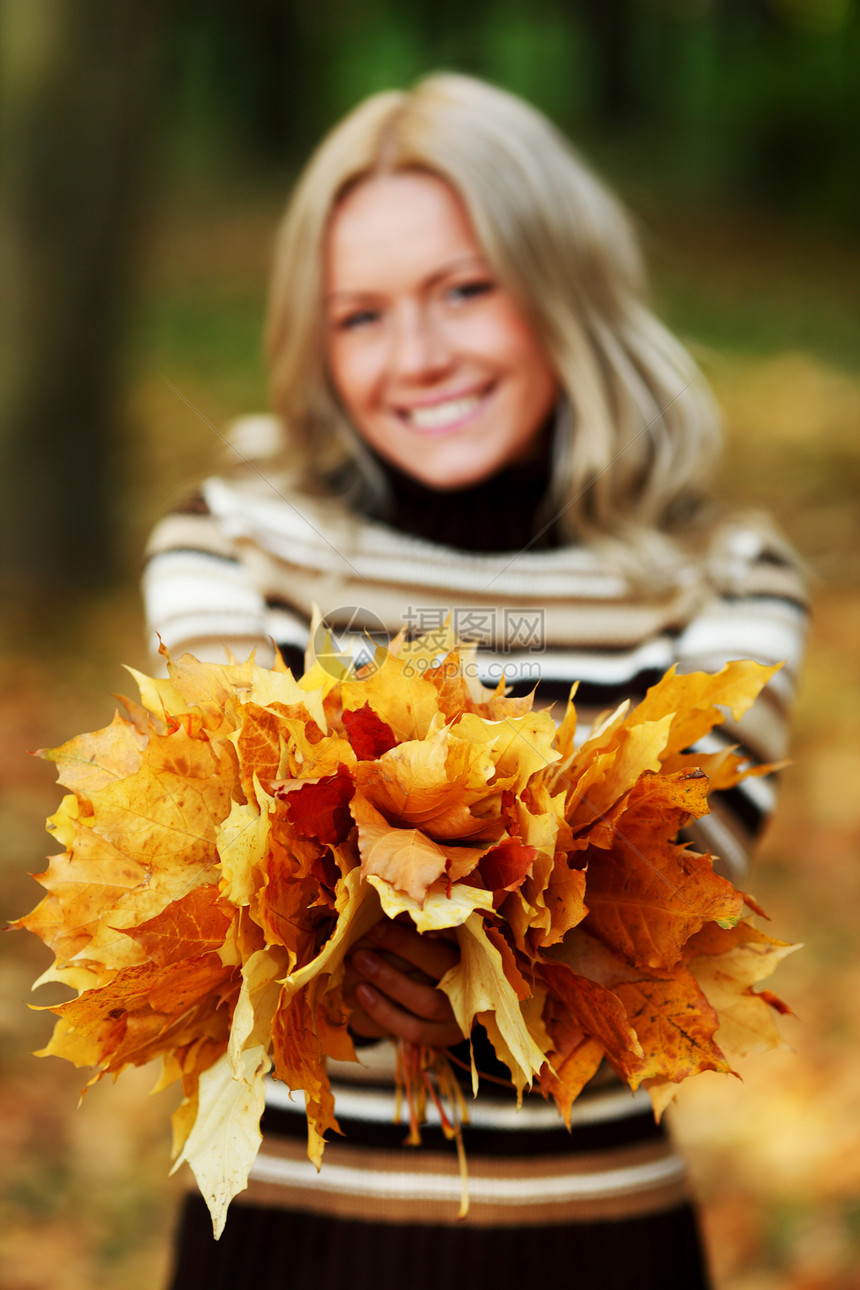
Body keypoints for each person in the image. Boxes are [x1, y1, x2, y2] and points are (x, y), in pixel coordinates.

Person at [144, 72, 807, 1290]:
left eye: (464, 290)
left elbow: (651, 913)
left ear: (563, 286)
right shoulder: (231, 543)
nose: (419, 356)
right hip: (287, 1246)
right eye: (361, 316)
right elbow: (244, 868)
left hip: (590, 1246)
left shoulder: (722, 580)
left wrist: (375, 896)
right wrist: (487, 901)